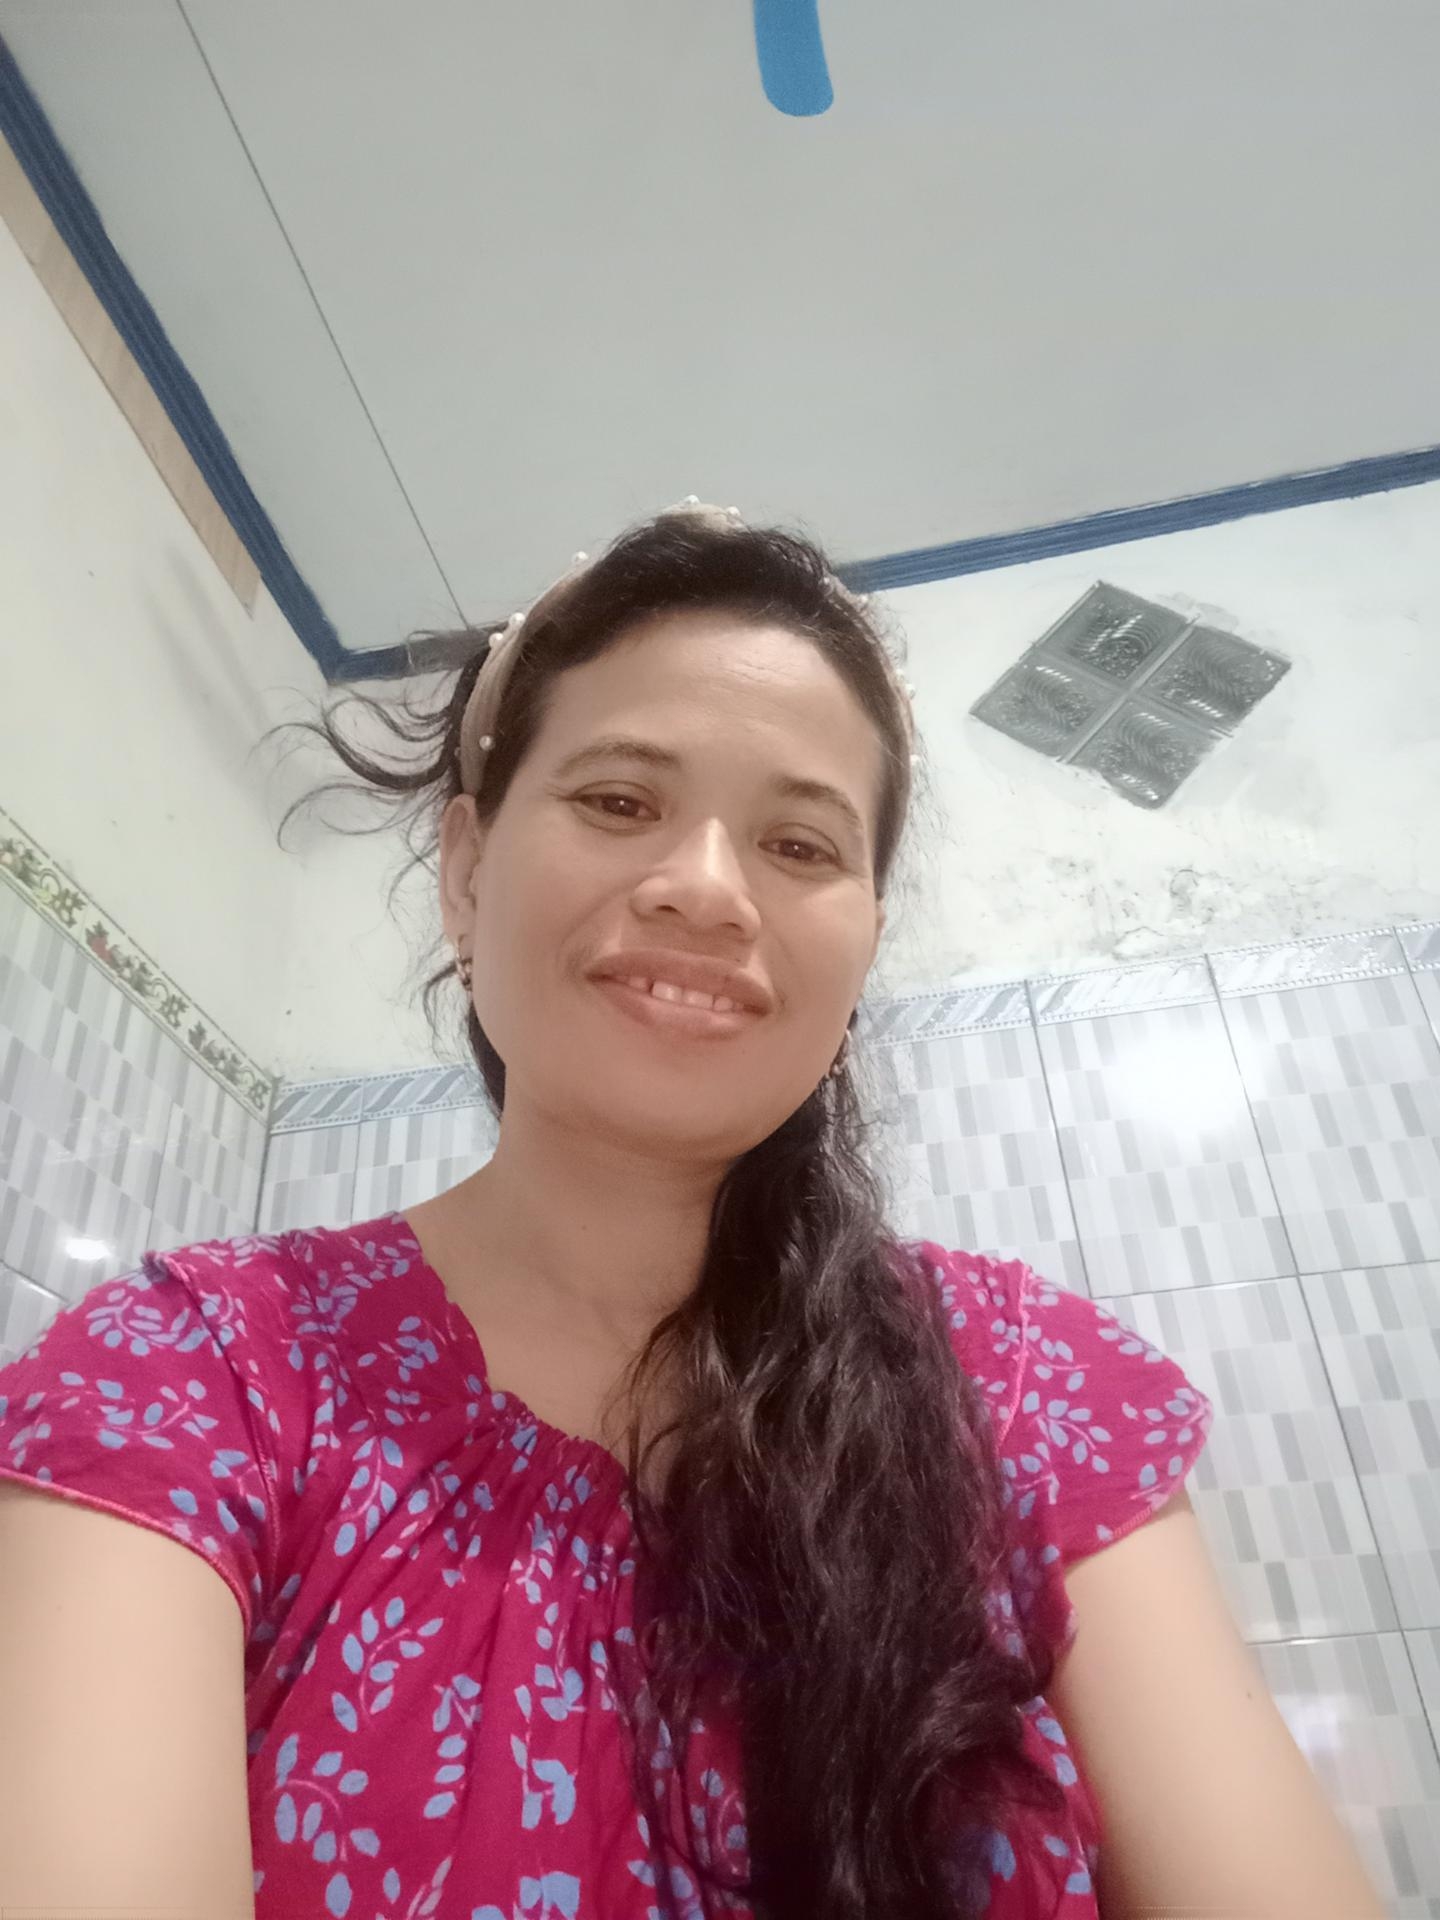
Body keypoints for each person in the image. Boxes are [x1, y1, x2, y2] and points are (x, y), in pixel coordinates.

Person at [0, 504, 1384, 1920]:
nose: (710, 891)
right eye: (619, 801)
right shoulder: (198, 1372)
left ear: (864, 943)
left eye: (801, 844)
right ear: (467, 872)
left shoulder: (1025, 1389)